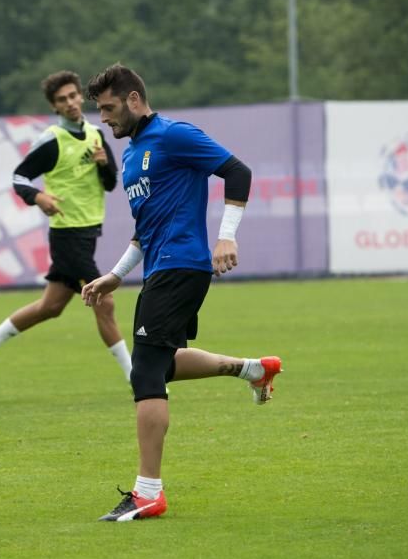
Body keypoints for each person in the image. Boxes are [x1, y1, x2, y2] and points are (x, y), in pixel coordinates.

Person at [79, 64, 282, 522]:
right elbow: (144, 228)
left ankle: (148, 491)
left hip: (182, 265)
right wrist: (115, 274)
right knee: (162, 361)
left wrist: (226, 236)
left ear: (134, 100)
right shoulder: (133, 155)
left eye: (109, 109)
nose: (104, 120)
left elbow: (237, 171)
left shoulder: (173, 135)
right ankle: (253, 369)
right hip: (162, 268)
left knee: (145, 372)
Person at [0, 70, 131, 386]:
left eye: (72, 96)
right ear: (54, 107)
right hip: (67, 234)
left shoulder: (97, 135)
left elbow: (110, 184)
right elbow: (19, 177)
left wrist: (104, 165)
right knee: (104, 301)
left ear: (80, 97)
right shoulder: (52, 141)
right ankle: (136, 377)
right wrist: (38, 195)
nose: (69, 103)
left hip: (87, 232)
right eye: (61, 100)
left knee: (51, 307)